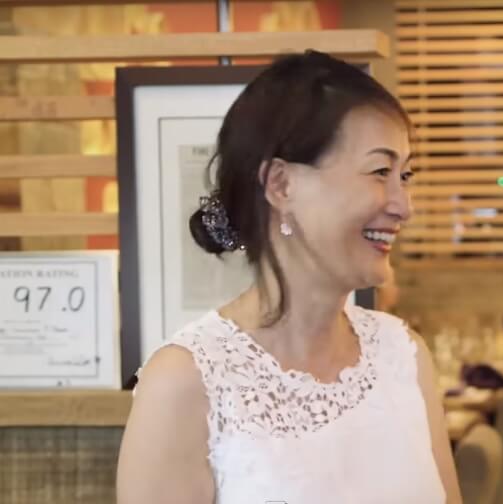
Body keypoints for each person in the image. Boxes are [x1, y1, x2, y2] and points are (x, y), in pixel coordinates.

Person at [117, 51, 460, 504]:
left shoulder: (403, 355)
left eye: (406, 175)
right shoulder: (186, 382)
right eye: (380, 171)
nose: (403, 205)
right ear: (281, 185)